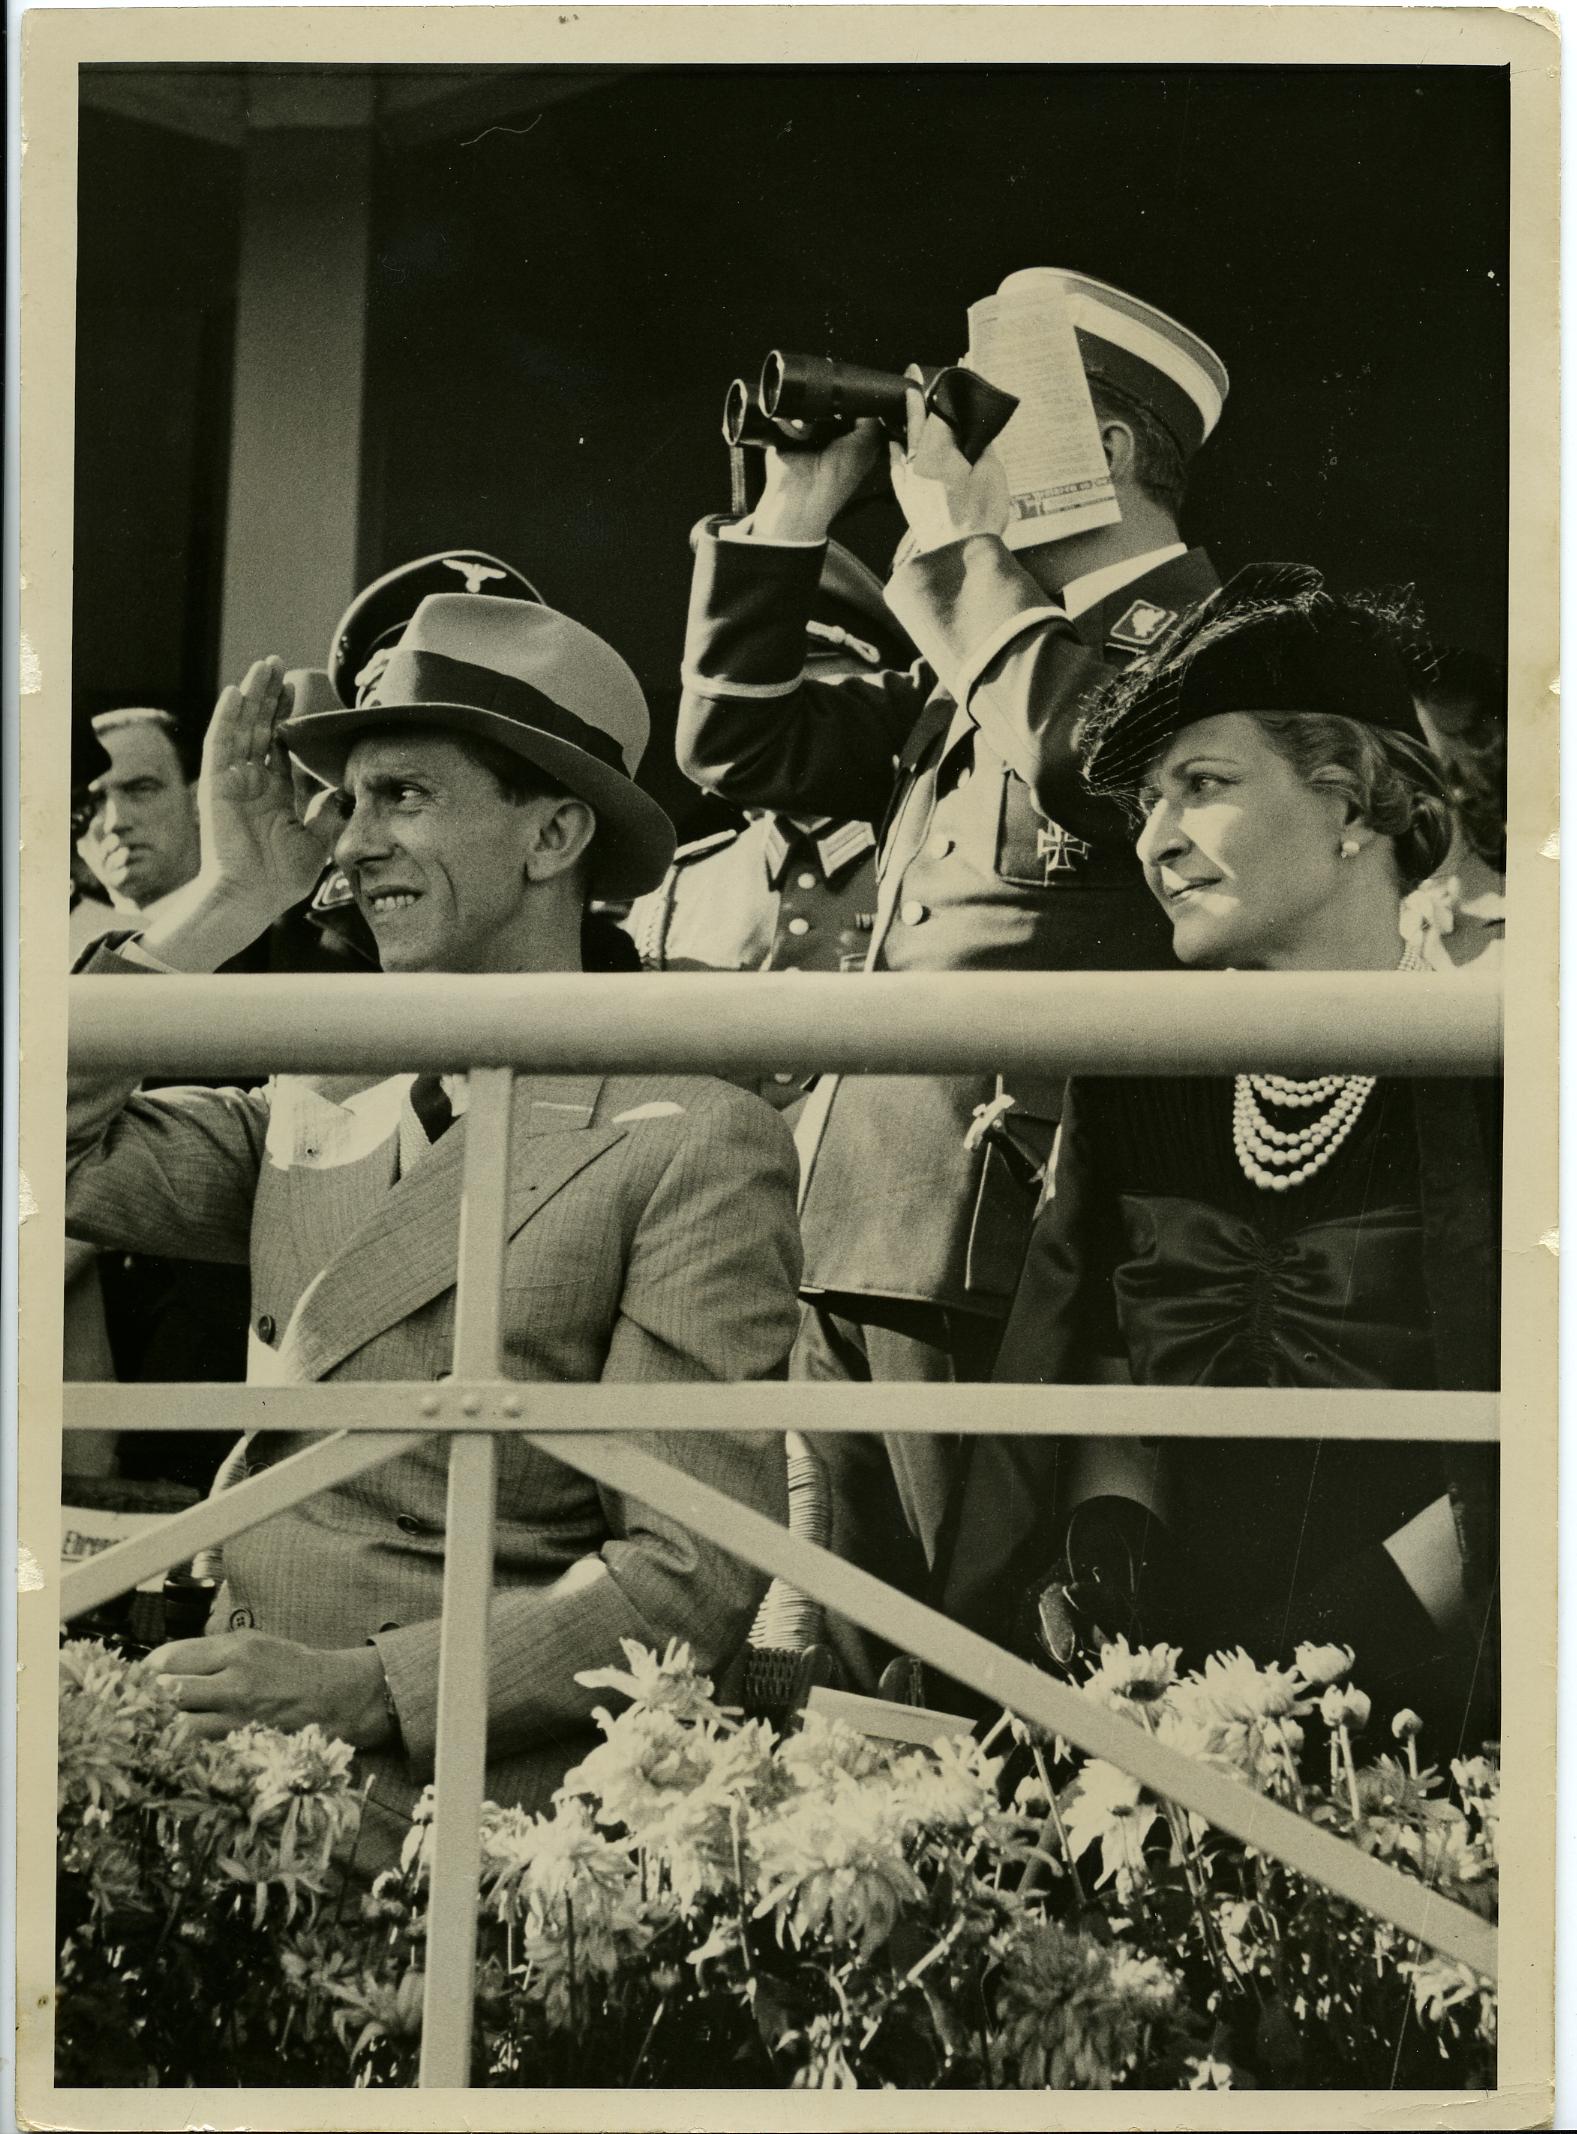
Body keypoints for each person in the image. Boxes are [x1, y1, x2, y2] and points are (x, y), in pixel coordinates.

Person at [66, 593, 802, 1855]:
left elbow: (682, 1579)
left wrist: (361, 1687)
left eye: (400, 795)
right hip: (221, 1765)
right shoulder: (313, 1089)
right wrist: (230, 896)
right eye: (344, 803)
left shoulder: (688, 1132)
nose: (348, 847)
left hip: (452, 1814)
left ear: (554, 832)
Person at [676, 267, 1226, 1684]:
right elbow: (736, 752)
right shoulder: (977, 652)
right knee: (859, 1671)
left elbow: (1096, 753)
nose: (948, 447)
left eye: (985, 417)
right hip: (860, 1225)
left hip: (1019, 1249)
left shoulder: (1210, 642)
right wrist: (796, 509)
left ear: (1099, 453)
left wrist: (952, 562)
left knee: (984, 1663)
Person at [946, 564, 1498, 1730]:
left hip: (1425, 1703)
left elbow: (1529, 1467)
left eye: (1198, 785)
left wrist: (1283, 1683)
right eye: (1143, 802)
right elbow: (1095, 1353)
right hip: (1155, 1700)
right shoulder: (1141, 1075)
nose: (1152, 843)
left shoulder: (1499, 1073)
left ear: (1352, 803)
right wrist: (1108, 1580)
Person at [626, 541, 908, 1108]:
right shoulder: (676, 885)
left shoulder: (926, 868)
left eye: (812, 690)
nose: (774, 722)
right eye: (755, 698)